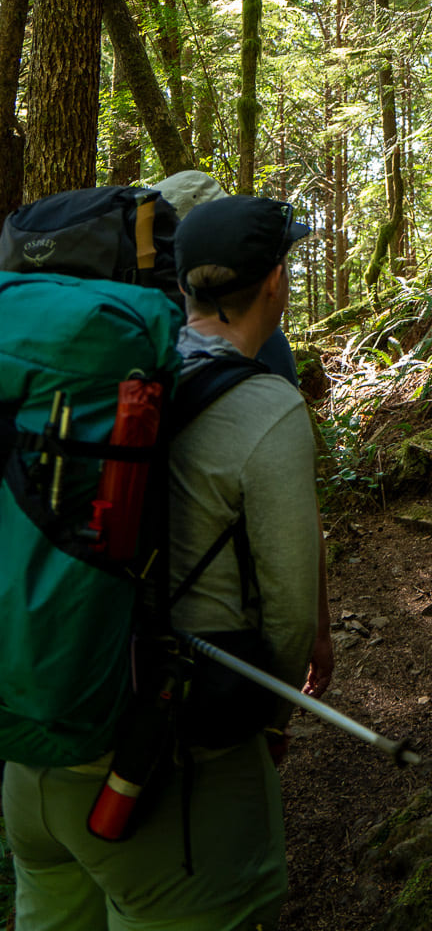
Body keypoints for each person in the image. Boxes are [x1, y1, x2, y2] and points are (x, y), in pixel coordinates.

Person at [2, 197, 320, 931]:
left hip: (38, 763)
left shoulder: (105, 385)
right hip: (165, 778)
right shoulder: (265, 409)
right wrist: (270, 724)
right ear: (275, 282)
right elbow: (291, 612)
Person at [153, 171, 334, 701]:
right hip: (210, 674)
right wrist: (275, 707)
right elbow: (288, 584)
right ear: (274, 279)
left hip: (99, 662)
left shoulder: (131, 349)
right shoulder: (267, 389)